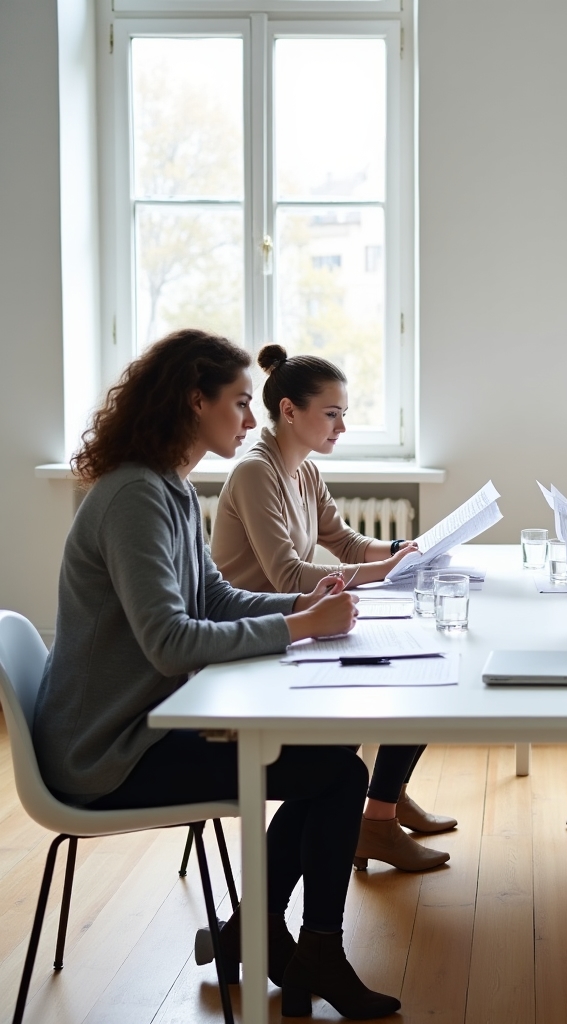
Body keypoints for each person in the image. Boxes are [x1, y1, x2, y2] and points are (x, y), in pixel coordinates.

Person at [33, 329, 400, 1020]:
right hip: (107, 753)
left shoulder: (165, 487)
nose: (249, 418)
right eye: (236, 402)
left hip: (139, 725)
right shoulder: (135, 499)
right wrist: (300, 627)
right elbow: (172, 642)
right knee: (337, 771)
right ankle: (292, 943)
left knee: (335, 766)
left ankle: (261, 936)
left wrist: (302, 601)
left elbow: (212, 600)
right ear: (193, 402)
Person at [213, 344, 456, 872]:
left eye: (344, 414)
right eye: (331, 414)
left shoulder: (304, 469)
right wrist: (382, 572)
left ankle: (383, 805)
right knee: (404, 674)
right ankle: (375, 811)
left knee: (424, 665)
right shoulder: (257, 472)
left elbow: (344, 542)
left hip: (298, 622)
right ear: (289, 412)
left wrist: (401, 551)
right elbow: (288, 576)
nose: (341, 427)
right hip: (261, 633)